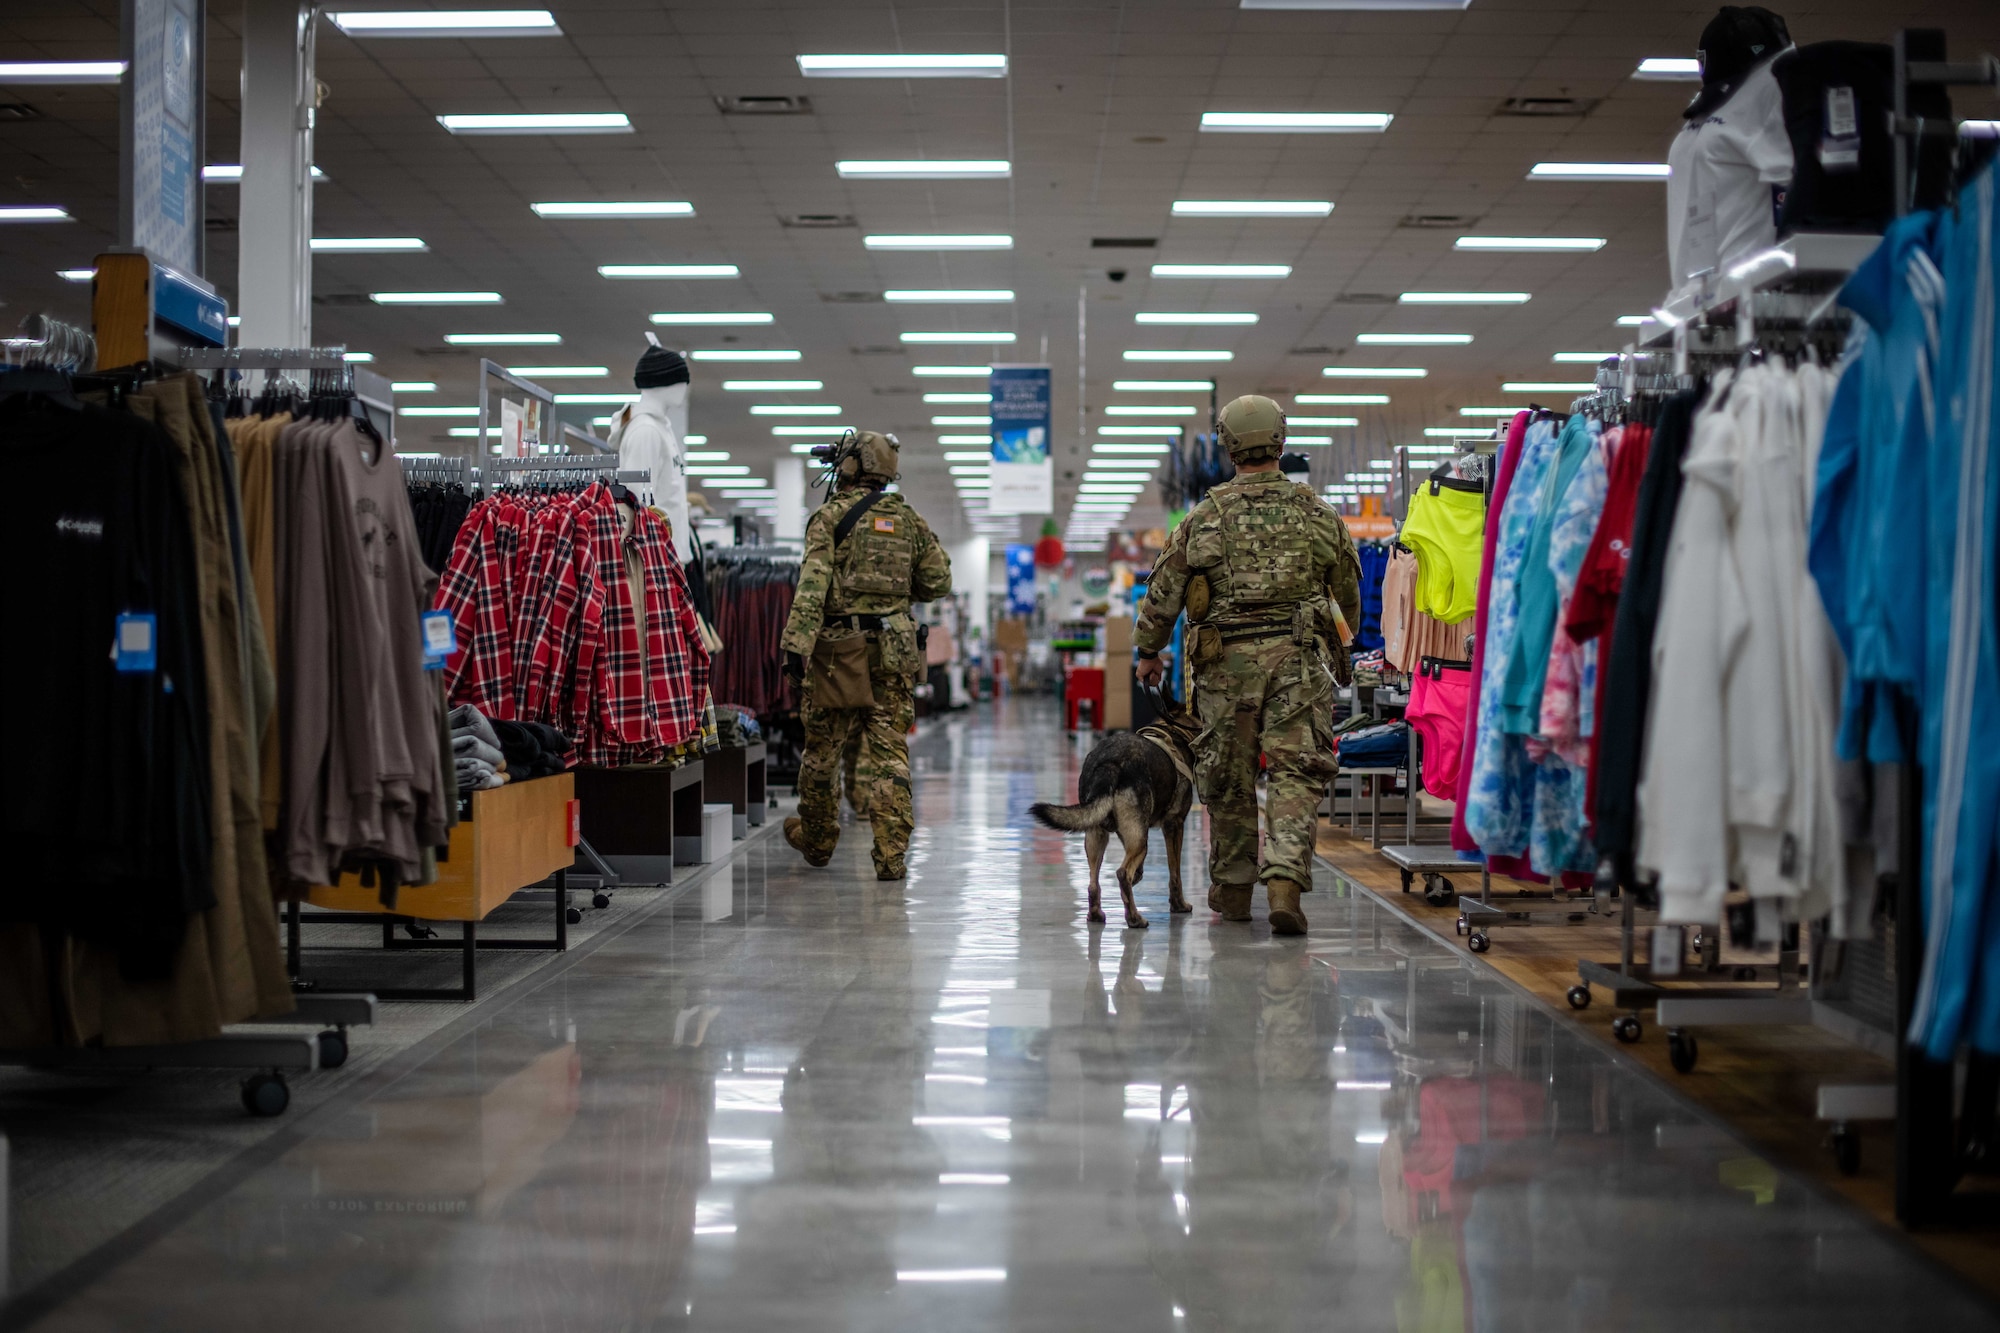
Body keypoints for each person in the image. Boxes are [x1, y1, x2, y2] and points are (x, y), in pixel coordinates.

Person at [1134, 395, 1361, 935]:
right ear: (1281, 441)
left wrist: (1148, 652)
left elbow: (1164, 592)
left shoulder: (1204, 516)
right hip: (1299, 663)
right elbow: (1347, 597)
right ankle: (1284, 882)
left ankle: (1234, 889)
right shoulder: (1317, 514)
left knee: (1228, 774)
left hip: (1224, 669)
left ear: (1227, 446)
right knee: (1295, 772)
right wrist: (1341, 646)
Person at [781, 430, 952, 879]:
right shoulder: (909, 519)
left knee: (823, 752)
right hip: (894, 652)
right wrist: (895, 597)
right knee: (890, 753)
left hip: (838, 655)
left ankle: (818, 843)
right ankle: (891, 857)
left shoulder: (829, 517)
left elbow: (812, 587)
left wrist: (795, 647)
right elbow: (939, 582)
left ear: (851, 466)